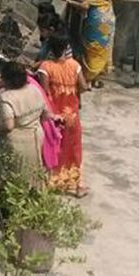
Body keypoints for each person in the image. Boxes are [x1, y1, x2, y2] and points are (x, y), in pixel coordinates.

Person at [0, 60, 61, 179]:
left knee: (15, 177)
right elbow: (45, 115)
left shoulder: (7, 98)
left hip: (18, 143)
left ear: (5, 79)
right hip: (36, 138)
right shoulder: (34, 89)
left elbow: (8, 126)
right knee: (33, 172)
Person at [37, 33, 91, 197]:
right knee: (74, 147)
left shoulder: (45, 67)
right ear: (66, 47)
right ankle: (77, 185)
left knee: (54, 146)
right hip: (72, 114)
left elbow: (44, 92)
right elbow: (82, 86)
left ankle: (54, 181)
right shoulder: (75, 65)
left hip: (54, 114)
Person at [63, 0, 125, 87]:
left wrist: (70, 1)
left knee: (93, 47)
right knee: (103, 46)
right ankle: (97, 76)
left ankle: (87, 79)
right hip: (109, 17)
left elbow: (85, 6)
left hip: (96, 20)